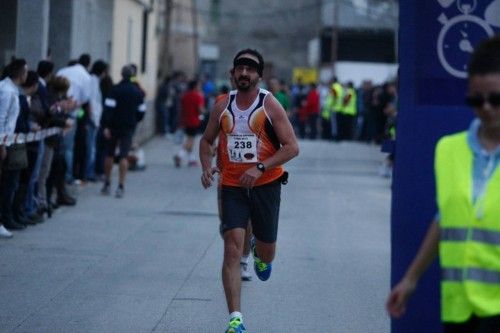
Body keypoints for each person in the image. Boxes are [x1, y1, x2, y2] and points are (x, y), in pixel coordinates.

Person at [386, 36, 500, 332]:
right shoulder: (448, 150)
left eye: (496, 99)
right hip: (459, 307)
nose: (486, 108)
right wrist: (411, 278)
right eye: (476, 99)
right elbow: (445, 217)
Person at [199, 49, 299, 333]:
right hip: (231, 185)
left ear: (259, 75)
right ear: (232, 73)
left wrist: (261, 167)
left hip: (266, 185)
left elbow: (292, 147)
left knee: (267, 253)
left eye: (250, 69)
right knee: (231, 249)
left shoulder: (270, 105)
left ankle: (259, 253)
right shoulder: (222, 105)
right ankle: (235, 319)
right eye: (239, 68)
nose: (244, 73)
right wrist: (206, 166)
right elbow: (207, 141)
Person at [101, 65, 146, 198]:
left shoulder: (115, 89)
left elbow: (108, 109)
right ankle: (121, 185)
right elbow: (142, 111)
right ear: (132, 75)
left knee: (109, 154)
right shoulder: (137, 91)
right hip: (128, 127)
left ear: (121, 74)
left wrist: (106, 126)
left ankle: (107, 183)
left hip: (114, 126)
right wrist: (135, 120)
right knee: (124, 155)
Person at [0, 58, 28, 238]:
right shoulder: (7, 91)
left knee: (9, 182)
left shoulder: (10, 89)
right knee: (6, 184)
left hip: (8, 141)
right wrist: (1, 145)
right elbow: (1, 119)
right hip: (4, 142)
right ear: (20, 73)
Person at [174, 79, 205, 167]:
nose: (200, 87)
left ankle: (192, 159)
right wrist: (204, 112)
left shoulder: (184, 96)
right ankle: (179, 155)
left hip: (185, 120)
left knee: (189, 138)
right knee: (190, 140)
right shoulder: (198, 96)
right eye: (199, 86)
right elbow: (200, 110)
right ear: (195, 86)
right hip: (194, 120)